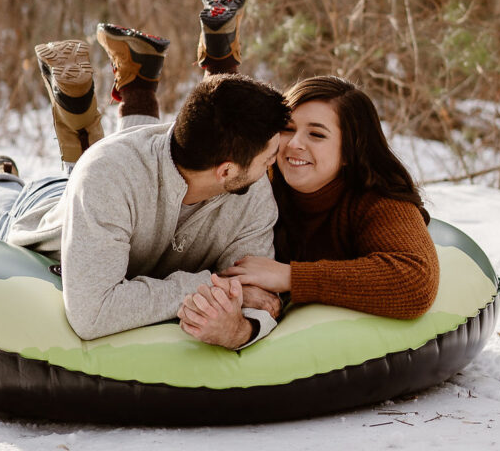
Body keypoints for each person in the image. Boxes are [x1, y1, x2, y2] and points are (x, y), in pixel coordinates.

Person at [0, 12, 291, 350]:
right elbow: (93, 315)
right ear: (225, 170)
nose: (275, 163)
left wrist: (240, 324)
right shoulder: (107, 176)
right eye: (268, 157)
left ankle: (134, 82)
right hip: (51, 218)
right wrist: (209, 285)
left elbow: (261, 298)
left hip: (113, 204)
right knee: (3, 210)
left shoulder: (252, 193)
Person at [178, 61, 440, 345]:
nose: (294, 144)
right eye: (288, 129)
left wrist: (292, 277)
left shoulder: (377, 200)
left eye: (316, 134)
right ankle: (199, 70)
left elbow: (414, 282)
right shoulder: (253, 181)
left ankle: (220, 63)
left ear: (349, 150)